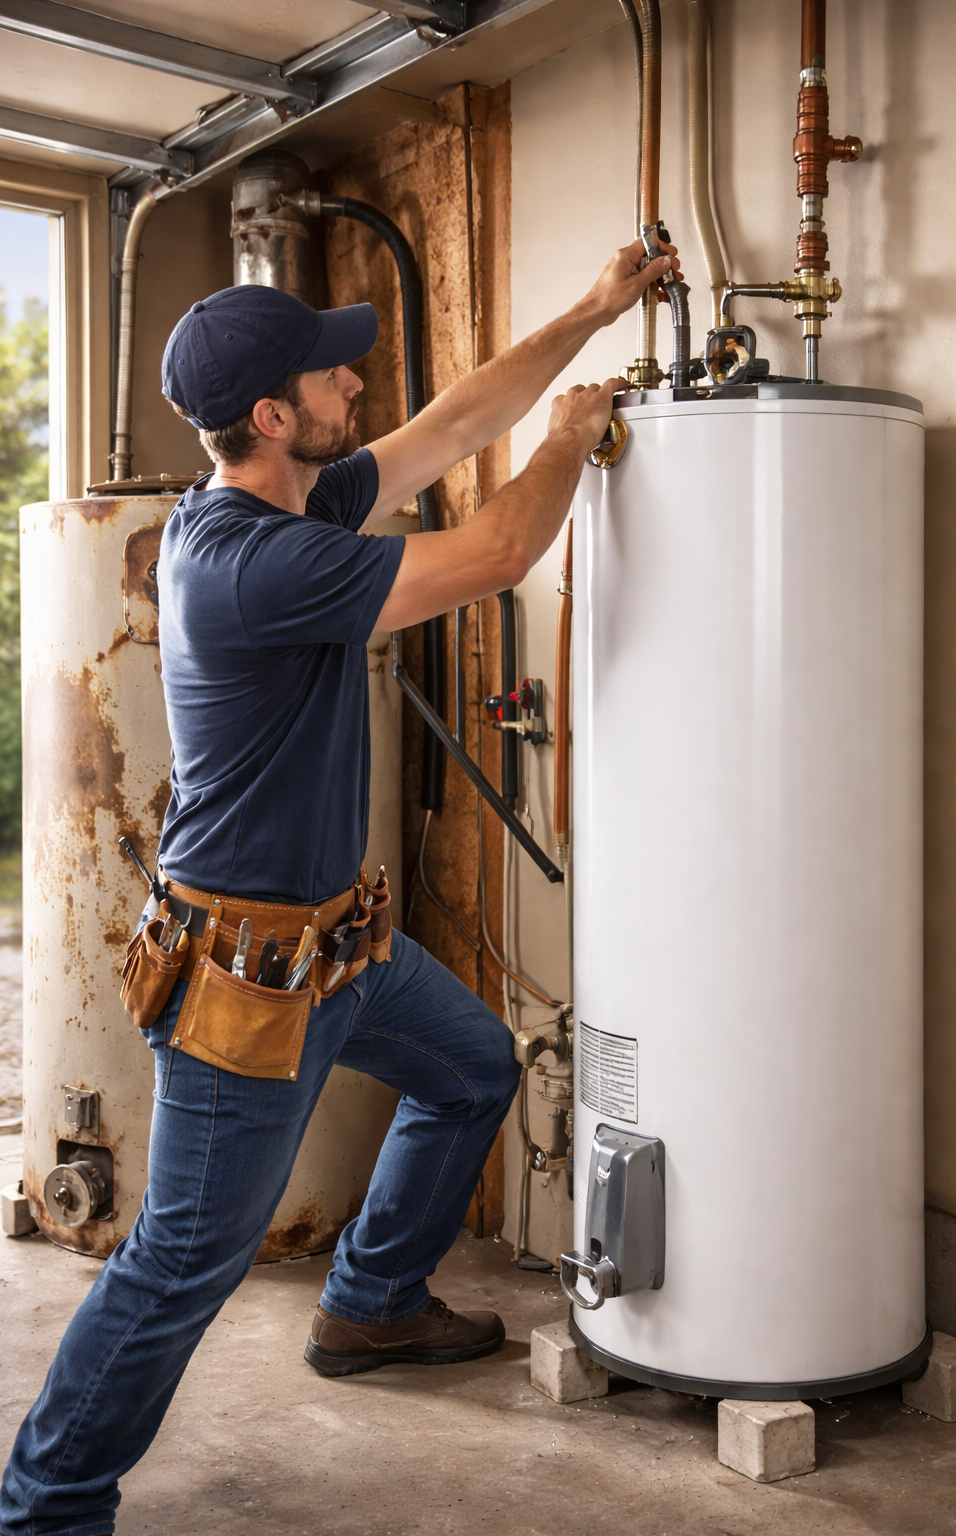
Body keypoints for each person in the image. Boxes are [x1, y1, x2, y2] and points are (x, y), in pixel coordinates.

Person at [0, 234, 678, 1536]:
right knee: (180, 1264)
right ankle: (45, 1504)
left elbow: (449, 421)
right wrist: (572, 442)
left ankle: (370, 1303)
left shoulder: (283, 503)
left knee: (476, 1068)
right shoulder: (258, 563)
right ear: (272, 415)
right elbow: (487, 553)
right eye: (327, 374)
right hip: (246, 984)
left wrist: (591, 314)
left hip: (340, 949)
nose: (350, 384)